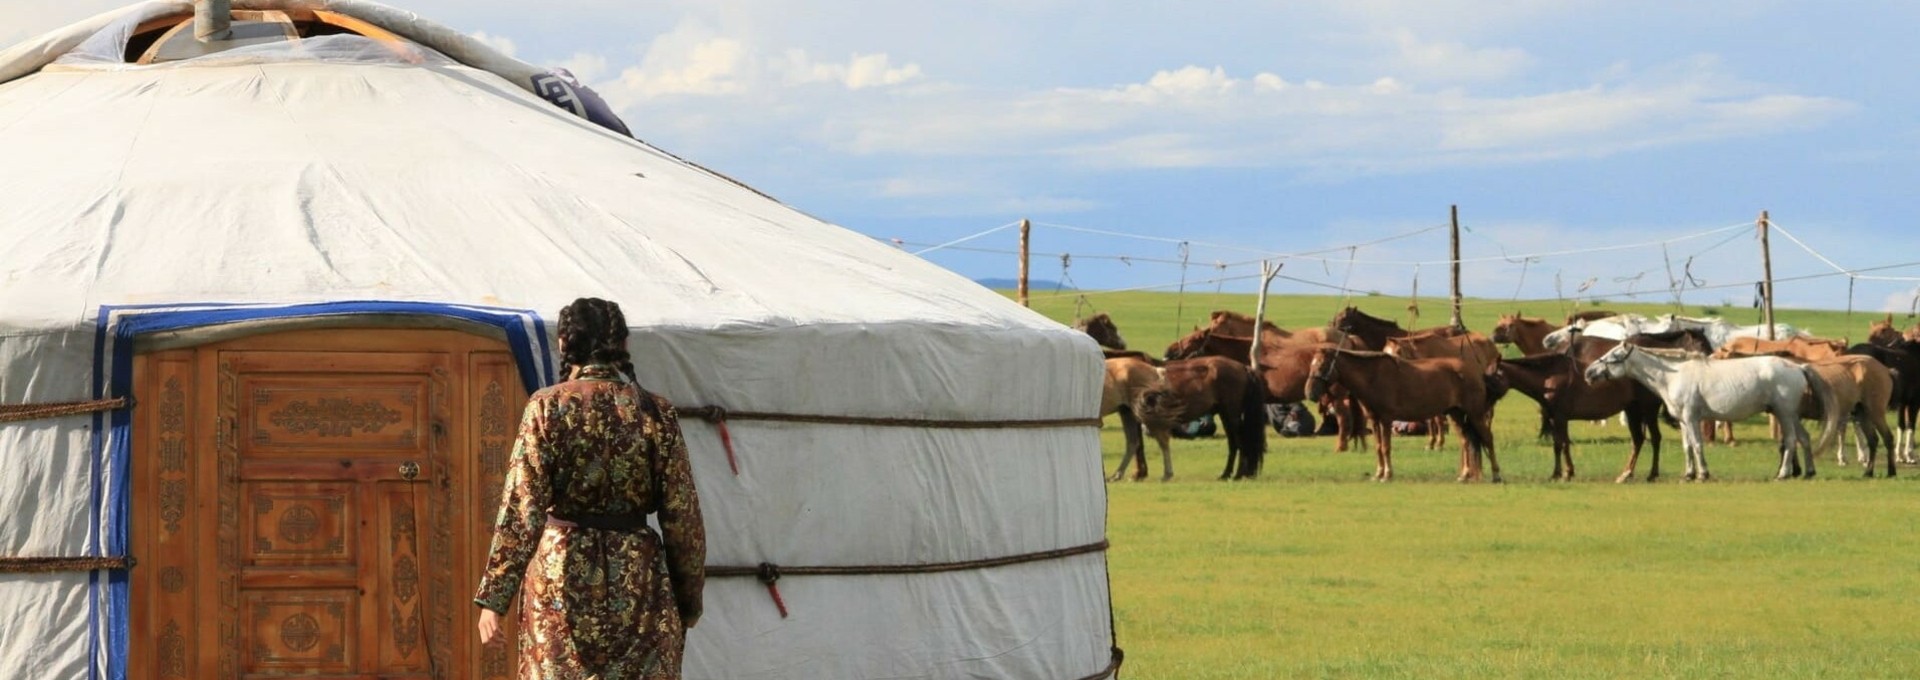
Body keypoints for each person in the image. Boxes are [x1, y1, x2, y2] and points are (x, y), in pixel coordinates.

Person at [474, 297, 706, 679]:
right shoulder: (654, 413)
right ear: (623, 345)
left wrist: (494, 600)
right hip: (639, 583)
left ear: (563, 343)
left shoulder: (546, 408)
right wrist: (689, 601)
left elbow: (521, 508)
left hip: (561, 576)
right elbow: (683, 517)